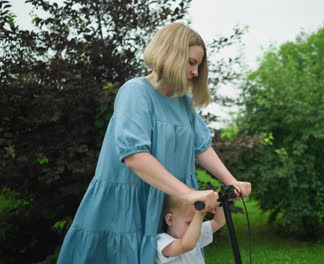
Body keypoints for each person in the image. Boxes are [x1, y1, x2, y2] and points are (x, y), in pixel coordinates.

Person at [57, 22, 251, 264]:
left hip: (171, 204)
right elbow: (135, 157)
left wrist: (231, 181)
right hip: (128, 207)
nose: (196, 72)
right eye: (191, 62)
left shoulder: (183, 102)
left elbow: (202, 147)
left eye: (199, 65)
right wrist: (189, 193)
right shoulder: (135, 92)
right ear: (170, 56)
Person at [156, 194, 225, 263]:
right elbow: (187, 245)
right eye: (189, 223)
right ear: (170, 220)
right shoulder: (162, 242)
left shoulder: (194, 233)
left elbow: (218, 222)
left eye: (197, 222)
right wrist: (200, 213)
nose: (195, 226)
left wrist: (221, 201)